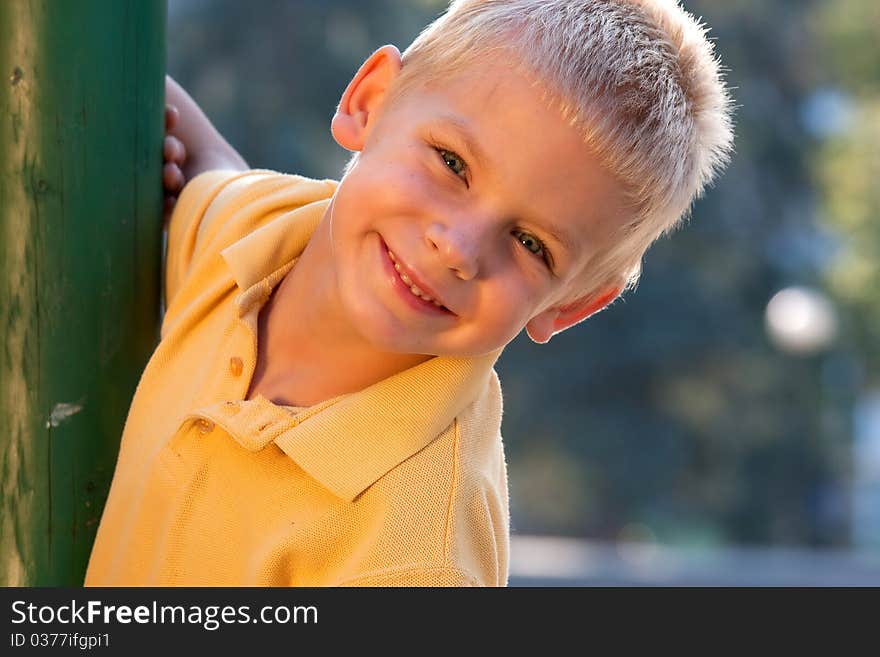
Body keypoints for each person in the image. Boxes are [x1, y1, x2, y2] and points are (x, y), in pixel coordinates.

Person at [85, 0, 733, 586]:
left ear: (574, 303)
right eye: (452, 163)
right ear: (370, 102)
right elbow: (202, 161)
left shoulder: (417, 557)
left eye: (531, 244)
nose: (458, 246)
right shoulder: (265, 238)